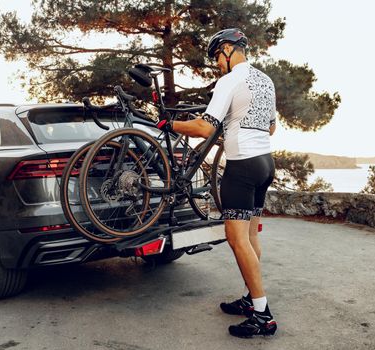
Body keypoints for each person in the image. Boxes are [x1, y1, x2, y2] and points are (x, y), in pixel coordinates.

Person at [156, 28, 277, 338]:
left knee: (237, 240)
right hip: (265, 164)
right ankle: (252, 298)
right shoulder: (265, 80)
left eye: (215, 58)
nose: (215, 65)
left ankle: (262, 315)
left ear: (226, 49)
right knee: (250, 237)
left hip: (243, 167)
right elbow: (271, 127)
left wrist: (169, 123)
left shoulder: (230, 80)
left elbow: (202, 127)